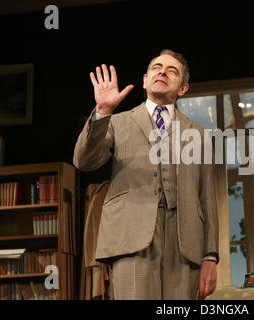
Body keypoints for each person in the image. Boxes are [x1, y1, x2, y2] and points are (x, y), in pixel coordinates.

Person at [73, 49, 219, 300]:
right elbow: (84, 162)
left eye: (172, 71)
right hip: (131, 237)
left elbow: (207, 198)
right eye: (156, 67)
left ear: (183, 88)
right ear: (144, 80)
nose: (163, 71)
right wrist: (102, 111)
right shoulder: (116, 122)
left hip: (186, 244)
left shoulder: (199, 135)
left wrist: (210, 256)